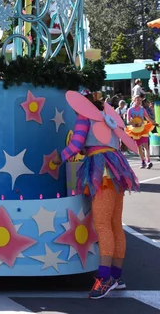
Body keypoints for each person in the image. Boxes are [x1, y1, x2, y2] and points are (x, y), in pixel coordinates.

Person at [52, 92, 139, 300]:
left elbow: (75, 145)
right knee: (115, 224)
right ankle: (117, 276)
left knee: (102, 225)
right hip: (117, 168)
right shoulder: (104, 117)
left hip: (102, 171)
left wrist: (57, 160)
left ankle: (105, 278)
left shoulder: (84, 117)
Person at [126, 95, 154, 169]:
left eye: (140, 100)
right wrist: (133, 123)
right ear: (134, 100)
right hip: (135, 130)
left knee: (146, 146)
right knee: (139, 147)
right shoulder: (130, 110)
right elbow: (128, 121)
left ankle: (148, 161)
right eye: (137, 100)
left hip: (143, 129)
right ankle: (143, 161)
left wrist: (154, 123)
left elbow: (148, 117)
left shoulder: (142, 109)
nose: (139, 102)